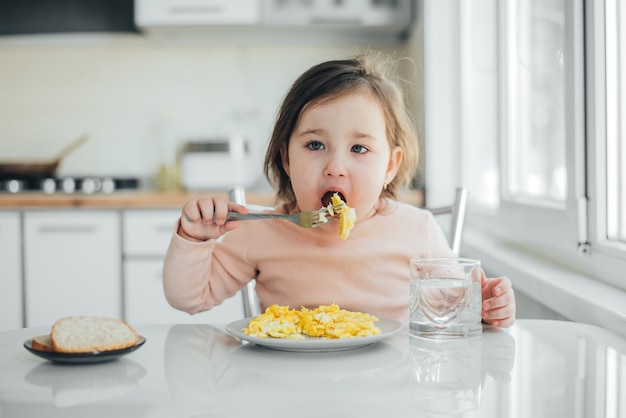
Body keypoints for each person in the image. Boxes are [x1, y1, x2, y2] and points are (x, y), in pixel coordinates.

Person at [163, 51, 516, 327]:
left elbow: (455, 311)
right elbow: (189, 298)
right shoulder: (263, 231)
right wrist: (194, 240)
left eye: (359, 149)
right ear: (287, 159)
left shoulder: (417, 231)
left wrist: (483, 307)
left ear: (389, 167)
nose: (335, 166)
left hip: (386, 392)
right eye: (315, 145)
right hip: (287, 389)